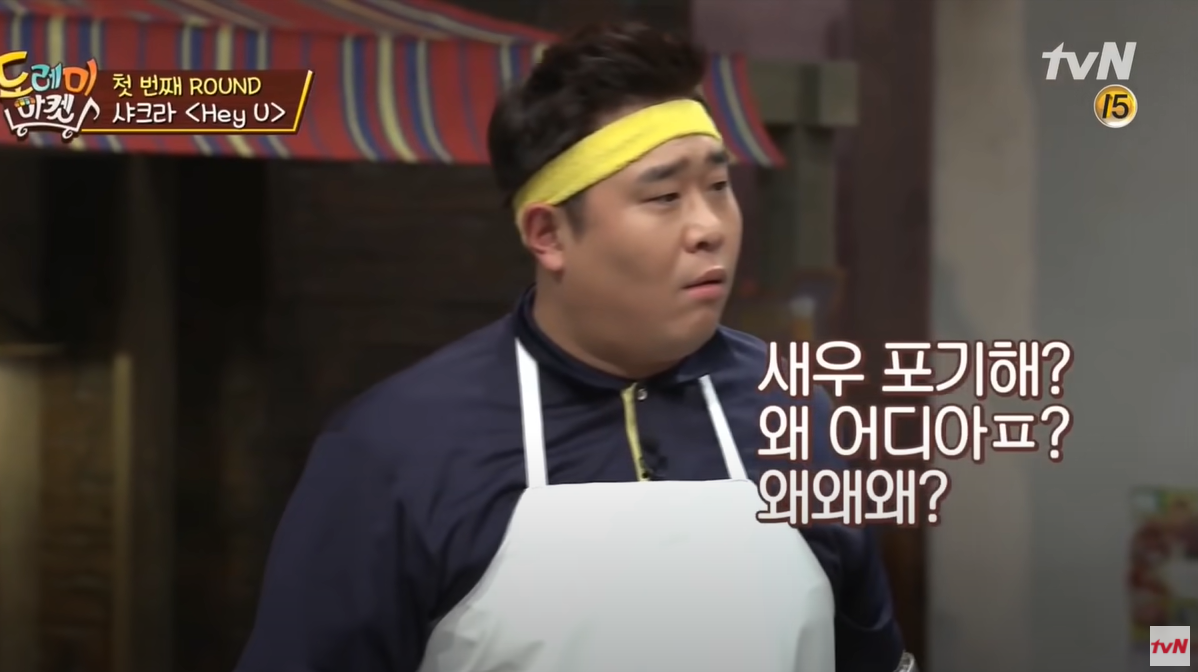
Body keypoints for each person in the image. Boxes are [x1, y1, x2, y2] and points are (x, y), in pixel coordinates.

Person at [236, 22, 909, 672]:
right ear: (549, 235)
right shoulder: (393, 451)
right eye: (665, 196)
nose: (709, 227)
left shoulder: (794, 411)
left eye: (718, 186)